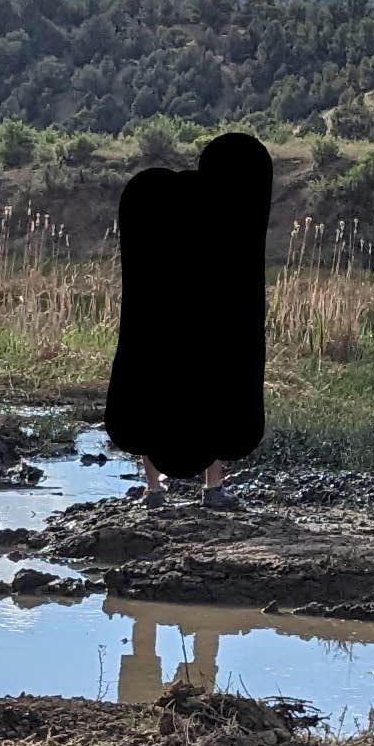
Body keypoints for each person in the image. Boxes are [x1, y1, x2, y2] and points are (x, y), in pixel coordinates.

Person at [103, 131, 274, 500]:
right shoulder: (222, 224)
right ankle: (210, 487)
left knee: (151, 392)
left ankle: (155, 488)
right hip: (208, 331)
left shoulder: (156, 228)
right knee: (211, 391)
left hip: (159, 329)